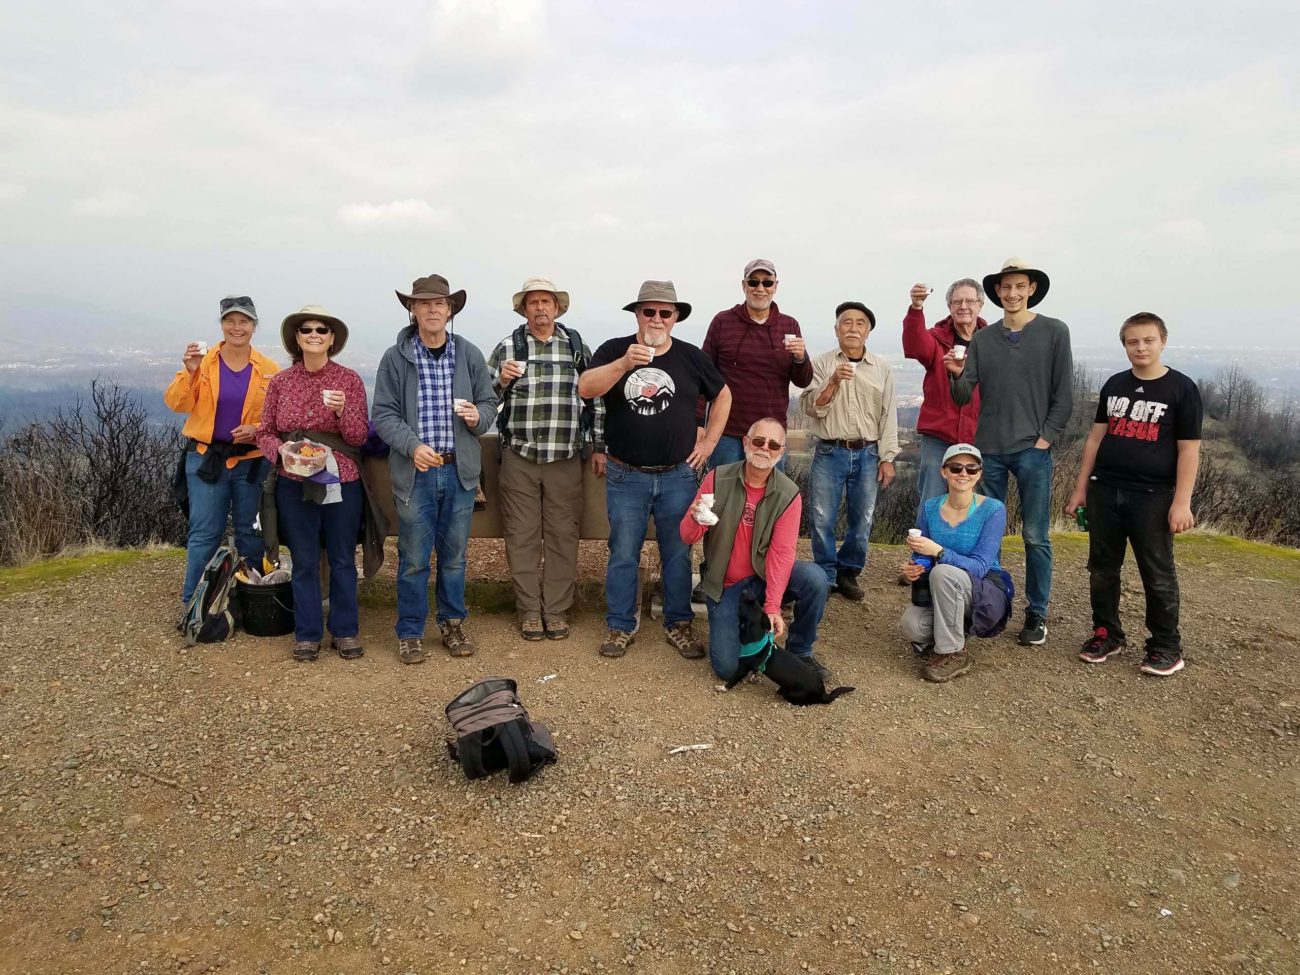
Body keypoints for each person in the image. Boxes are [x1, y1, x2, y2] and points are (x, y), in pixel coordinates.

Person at [578, 280, 732, 660]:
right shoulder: (615, 350)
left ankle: (678, 624)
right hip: (625, 473)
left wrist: (710, 441)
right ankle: (620, 625)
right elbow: (585, 387)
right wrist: (625, 363)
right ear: (637, 314)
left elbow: (723, 394)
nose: (657, 319)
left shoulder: (690, 357)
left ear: (676, 317)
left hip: (678, 474)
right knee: (623, 552)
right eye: (649, 311)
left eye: (665, 312)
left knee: (678, 552)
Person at [1065, 312, 1202, 677]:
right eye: (1132, 341)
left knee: (1156, 572)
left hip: (1153, 495)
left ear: (1163, 341)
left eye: (1148, 340)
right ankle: (1107, 633)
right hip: (1105, 490)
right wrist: (1081, 489)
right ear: (1124, 344)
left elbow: (1189, 449)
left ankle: (1165, 646)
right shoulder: (1114, 385)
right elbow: (1095, 439)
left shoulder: (1182, 388)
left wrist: (1182, 501)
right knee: (1102, 569)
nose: (1140, 347)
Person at [372, 274, 497, 663]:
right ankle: (410, 631)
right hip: (415, 473)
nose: (432, 309)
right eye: (423, 303)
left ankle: (451, 623)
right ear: (412, 309)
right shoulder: (396, 358)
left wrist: (478, 416)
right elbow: (383, 414)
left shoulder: (470, 354)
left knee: (455, 555)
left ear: (450, 309)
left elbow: (489, 407)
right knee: (413, 557)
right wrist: (413, 447)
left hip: (460, 472)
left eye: (439, 303)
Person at [947, 257, 1072, 646]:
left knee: (1036, 535)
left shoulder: (1054, 332)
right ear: (997, 293)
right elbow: (964, 394)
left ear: (1032, 288)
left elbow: (1064, 396)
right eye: (1005, 288)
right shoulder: (983, 339)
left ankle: (1037, 613)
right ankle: (989, 604)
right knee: (985, 536)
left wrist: (1044, 440)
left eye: (1019, 286)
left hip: (1032, 450)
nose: (1012, 293)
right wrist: (955, 374)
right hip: (990, 452)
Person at [487, 277, 605, 641]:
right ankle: (528, 611)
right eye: (533, 302)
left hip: (566, 456)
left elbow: (596, 396)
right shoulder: (508, 347)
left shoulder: (576, 346)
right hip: (518, 456)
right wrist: (501, 382)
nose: (540, 308)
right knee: (521, 537)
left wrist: (599, 445)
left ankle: (555, 611)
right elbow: (484, 400)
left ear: (557, 308)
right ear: (523, 309)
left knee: (562, 537)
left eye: (546, 302)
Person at [255, 306, 369, 662]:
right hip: (293, 479)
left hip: (342, 479)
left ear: (332, 339)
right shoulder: (280, 382)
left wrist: (341, 411)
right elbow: (264, 431)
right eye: (307, 329)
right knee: (303, 559)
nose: (315, 334)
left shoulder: (349, 381)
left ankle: (345, 631)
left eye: (323, 329)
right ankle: (307, 634)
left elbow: (358, 436)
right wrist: (282, 451)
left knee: (342, 558)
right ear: (297, 337)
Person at [679, 418, 831, 682]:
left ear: (781, 452)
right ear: (746, 442)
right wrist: (695, 519)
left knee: (815, 579)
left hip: (763, 577)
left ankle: (800, 651)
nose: (764, 449)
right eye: (759, 441)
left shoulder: (789, 493)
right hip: (726, 585)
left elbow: (782, 553)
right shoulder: (718, 478)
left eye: (773, 445)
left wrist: (773, 606)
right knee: (726, 669)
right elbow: (687, 536)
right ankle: (744, 628)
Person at [165, 295, 279, 610]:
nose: (236, 327)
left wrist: (257, 429)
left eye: (244, 321)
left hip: (252, 462)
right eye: (230, 321)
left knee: (251, 535)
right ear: (222, 324)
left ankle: (253, 604)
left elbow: (278, 418)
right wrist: (189, 372)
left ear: (254, 326)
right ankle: (194, 606)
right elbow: (177, 403)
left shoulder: (269, 369)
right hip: (206, 459)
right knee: (204, 533)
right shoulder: (203, 363)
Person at [799, 302, 899, 601]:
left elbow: (888, 413)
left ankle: (849, 572)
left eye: (860, 323)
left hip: (868, 452)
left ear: (868, 331)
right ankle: (826, 574)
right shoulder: (821, 363)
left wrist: (888, 457)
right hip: (830, 451)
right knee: (821, 518)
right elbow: (811, 409)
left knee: (862, 519)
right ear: (836, 329)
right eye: (846, 322)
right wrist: (832, 382)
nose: (853, 328)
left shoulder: (881, 367)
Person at [900, 444, 1012, 683]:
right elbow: (923, 556)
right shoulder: (930, 508)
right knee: (912, 626)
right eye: (956, 467)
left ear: (979, 473)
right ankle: (952, 632)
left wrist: (939, 552)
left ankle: (954, 652)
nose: (964, 473)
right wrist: (914, 569)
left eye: (971, 469)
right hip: (945, 590)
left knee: (943, 572)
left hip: (985, 594)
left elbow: (981, 567)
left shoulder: (993, 509)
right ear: (944, 472)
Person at [698, 258, 813, 466]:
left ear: (775, 286)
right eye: (753, 282)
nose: (760, 288)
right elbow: (701, 377)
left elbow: (802, 381)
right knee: (723, 496)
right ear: (744, 285)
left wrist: (800, 358)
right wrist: (698, 423)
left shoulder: (789, 324)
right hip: (726, 433)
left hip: (770, 436)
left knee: (770, 498)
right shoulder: (723, 322)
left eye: (767, 283)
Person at [901, 278, 988, 518]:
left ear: (980, 305)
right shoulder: (938, 337)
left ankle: (970, 555)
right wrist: (916, 308)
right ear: (949, 306)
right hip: (939, 434)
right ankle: (924, 553)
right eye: (956, 301)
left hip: (980, 434)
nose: (963, 306)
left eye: (970, 301)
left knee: (978, 502)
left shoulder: (992, 341)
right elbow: (915, 345)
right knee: (933, 498)